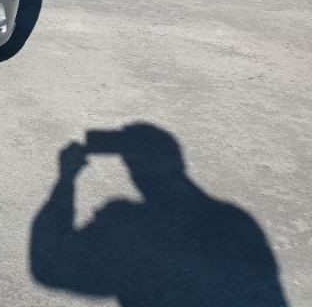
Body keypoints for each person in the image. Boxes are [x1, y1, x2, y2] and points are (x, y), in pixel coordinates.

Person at [30, 123, 288, 306]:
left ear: (133, 169)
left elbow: (48, 268)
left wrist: (67, 179)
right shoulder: (236, 220)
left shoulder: (131, 227)